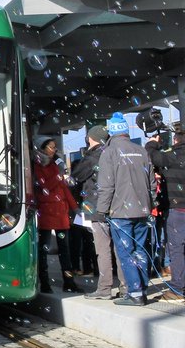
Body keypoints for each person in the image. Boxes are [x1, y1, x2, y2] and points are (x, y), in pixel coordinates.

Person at [95, 112, 155, 306]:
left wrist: (101, 210)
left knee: (126, 252)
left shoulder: (109, 152)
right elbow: (151, 183)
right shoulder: (141, 150)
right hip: (142, 209)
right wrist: (149, 204)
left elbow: (106, 185)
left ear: (112, 131)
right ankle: (142, 289)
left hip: (120, 212)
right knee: (140, 249)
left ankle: (135, 293)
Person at [74, 126, 124, 300]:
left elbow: (77, 176)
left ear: (90, 138)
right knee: (120, 249)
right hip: (117, 206)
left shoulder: (92, 157)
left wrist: (86, 155)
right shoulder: (114, 153)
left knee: (102, 250)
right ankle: (125, 286)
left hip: (97, 208)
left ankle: (104, 288)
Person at [33, 138, 79, 293]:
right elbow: (45, 186)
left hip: (60, 212)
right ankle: (44, 282)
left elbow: (64, 189)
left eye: (55, 147)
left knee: (65, 249)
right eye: (51, 147)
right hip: (47, 212)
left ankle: (69, 281)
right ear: (43, 148)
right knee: (43, 249)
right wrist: (59, 176)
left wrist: (74, 207)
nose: (54, 150)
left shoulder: (55, 165)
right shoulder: (38, 166)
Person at [146, 124, 185, 302]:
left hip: (177, 211)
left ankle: (177, 289)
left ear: (176, 139)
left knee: (177, 250)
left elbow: (152, 156)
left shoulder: (172, 156)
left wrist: (153, 143)